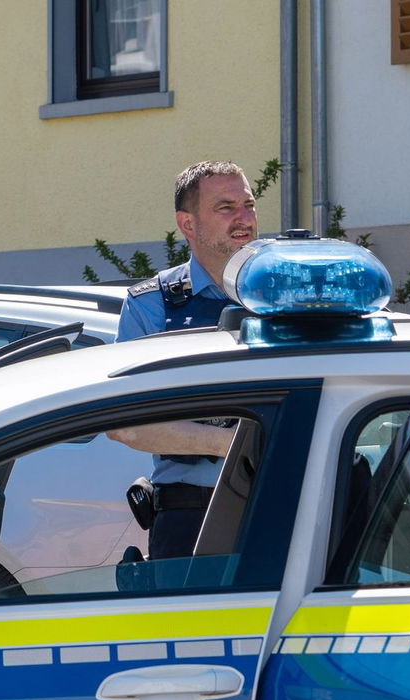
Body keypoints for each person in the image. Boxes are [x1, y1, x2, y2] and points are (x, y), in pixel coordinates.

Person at [107, 160, 258, 559]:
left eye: (249, 204)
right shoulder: (152, 305)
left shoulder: (287, 293)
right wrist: (234, 445)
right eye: (226, 207)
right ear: (187, 224)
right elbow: (122, 423)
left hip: (289, 505)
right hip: (192, 514)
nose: (244, 218)